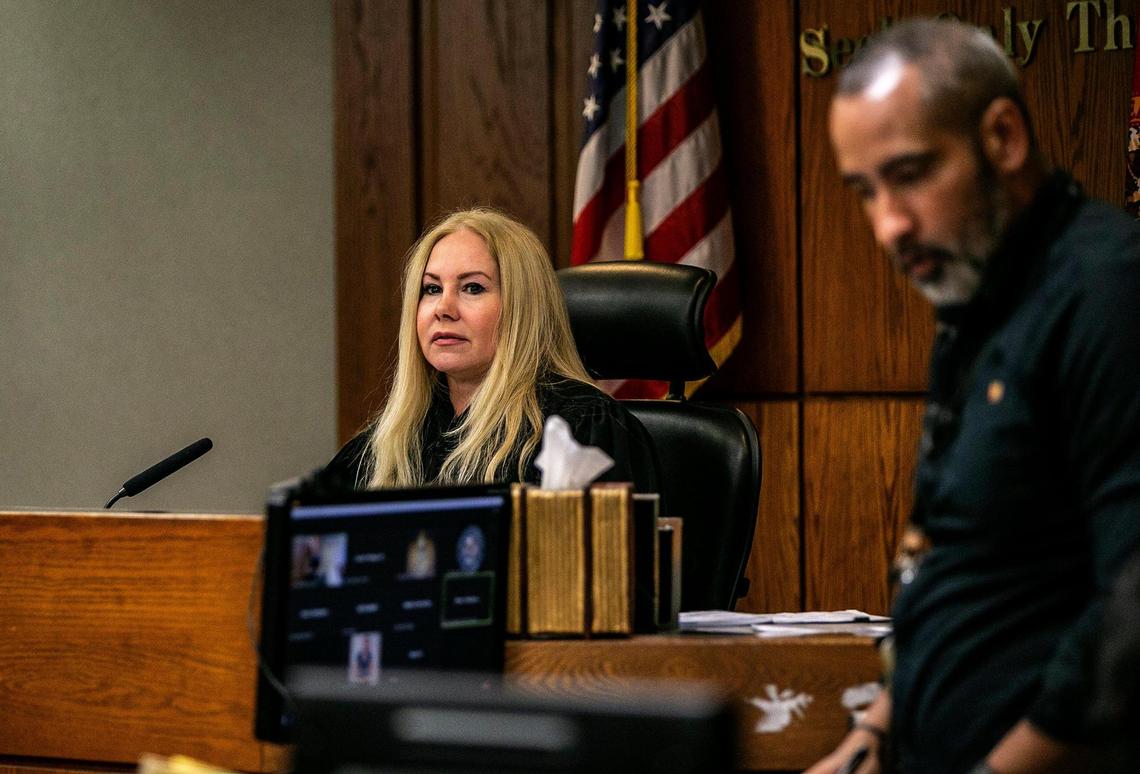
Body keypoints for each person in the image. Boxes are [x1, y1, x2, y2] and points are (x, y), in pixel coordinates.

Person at [809, 17, 1140, 774]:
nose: (889, 225)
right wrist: (867, 744)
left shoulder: (1109, 293)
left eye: (911, 175)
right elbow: (949, 561)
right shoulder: (975, 306)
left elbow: (1130, 614)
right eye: (864, 191)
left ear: (1003, 137)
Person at [324, 207, 658, 493]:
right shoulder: (391, 440)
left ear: (522, 308)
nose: (444, 308)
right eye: (431, 288)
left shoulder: (583, 430)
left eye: (472, 287)